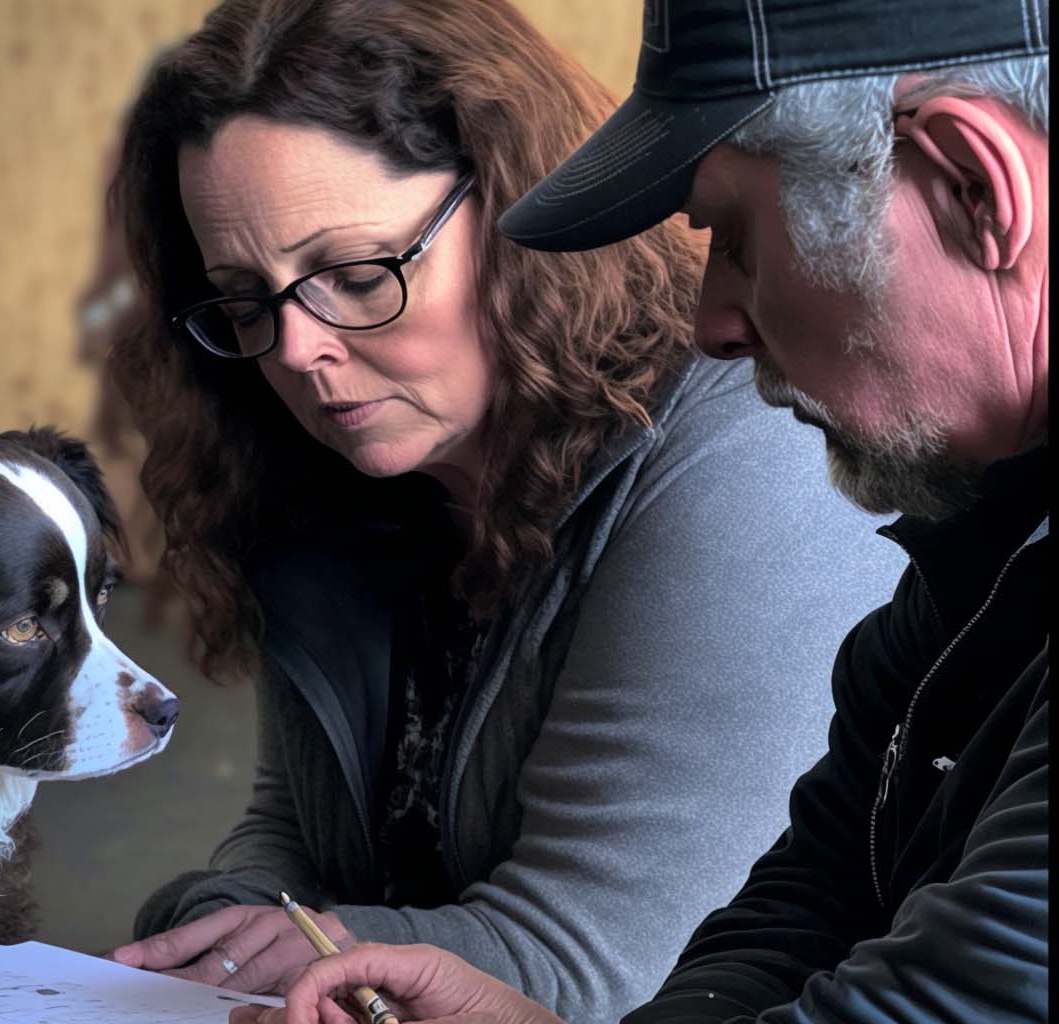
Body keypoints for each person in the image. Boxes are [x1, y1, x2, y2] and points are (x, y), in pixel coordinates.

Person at [101, 1, 906, 1020]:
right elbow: (295, 841)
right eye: (245, 299)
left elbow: (612, 963)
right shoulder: (343, 466)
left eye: (355, 275)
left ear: (522, 221)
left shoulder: (744, 449)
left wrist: (267, 945)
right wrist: (216, 921)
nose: (295, 352)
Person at [246, 1, 1049, 1022]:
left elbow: (951, 1003)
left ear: (976, 190)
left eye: (740, 238)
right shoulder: (961, 577)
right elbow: (791, 927)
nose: (712, 321)